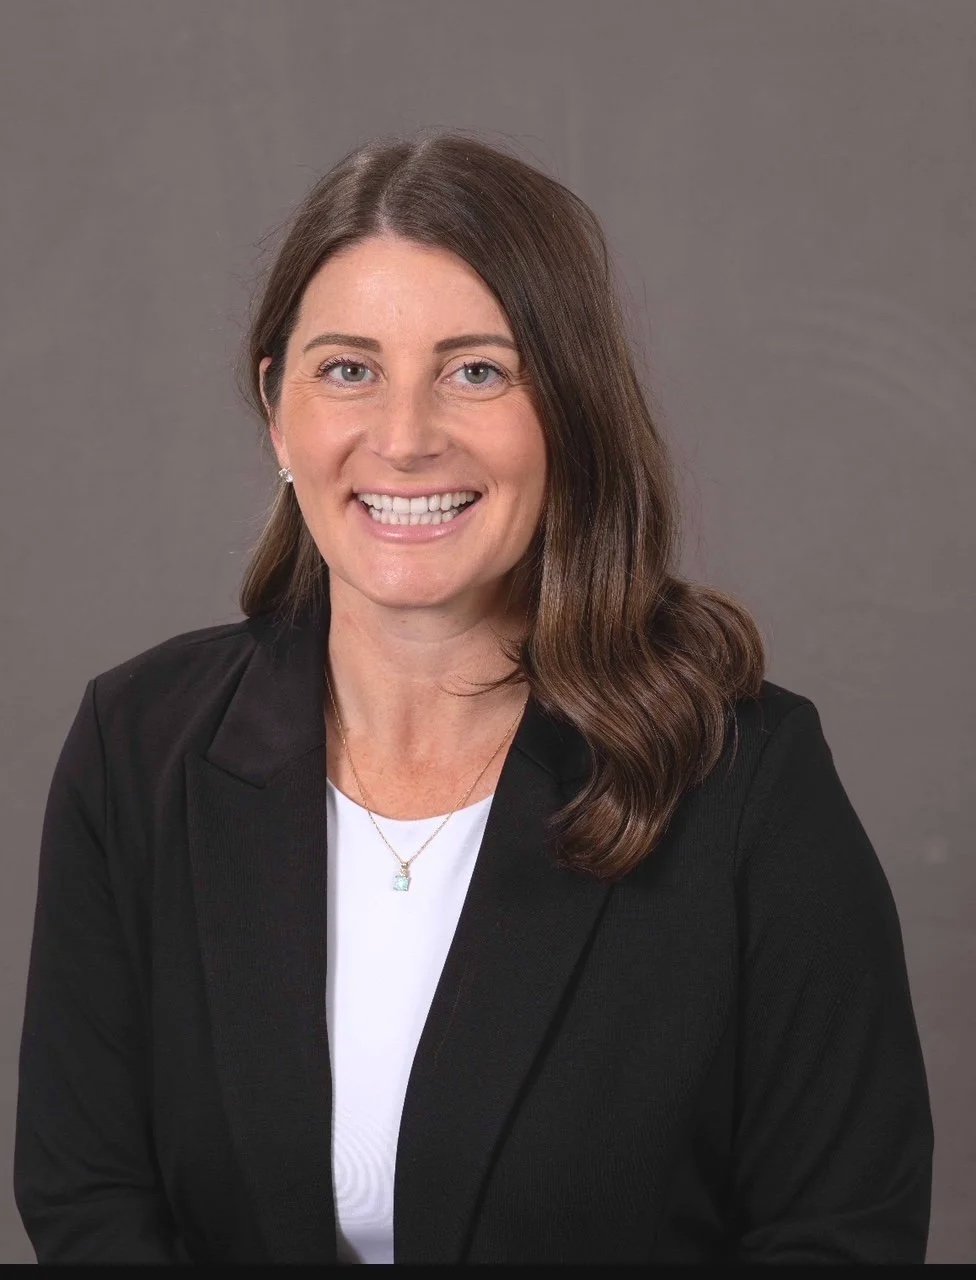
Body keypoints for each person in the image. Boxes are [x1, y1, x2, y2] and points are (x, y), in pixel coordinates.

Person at [14, 131, 934, 1265]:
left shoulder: (741, 773)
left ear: (570, 408)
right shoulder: (136, 744)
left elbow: (841, 1229)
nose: (404, 438)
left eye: (477, 370)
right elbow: (86, 1189)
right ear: (277, 408)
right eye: (348, 369)